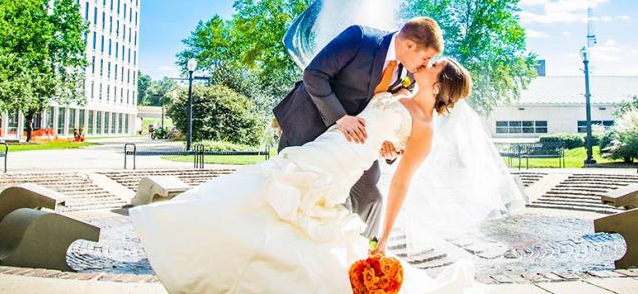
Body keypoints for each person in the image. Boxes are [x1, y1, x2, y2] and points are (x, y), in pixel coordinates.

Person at [130, 58, 487, 293]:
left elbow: (401, 183)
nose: (425, 62)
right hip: (324, 150)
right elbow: (375, 115)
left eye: (434, 65)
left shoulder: (425, 129)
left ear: (439, 85)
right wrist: (384, 138)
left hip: (339, 170)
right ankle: (194, 242)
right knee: (255, 194)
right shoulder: (400, 89)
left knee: (297, 219)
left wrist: (384, 238)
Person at [273, 17, 443, 238]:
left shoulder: (410, 73)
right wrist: (341, 118)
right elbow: (314, 75)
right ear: (409, 45)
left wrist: (389, 148)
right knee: (290, 188)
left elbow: (388, 113)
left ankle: (364, 255)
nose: (426, 65)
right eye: (426, 57)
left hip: (356, 143)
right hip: (310, 124)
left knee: (371, 198)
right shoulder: (360, 38)